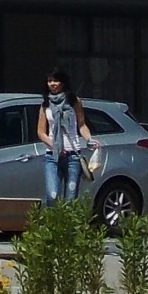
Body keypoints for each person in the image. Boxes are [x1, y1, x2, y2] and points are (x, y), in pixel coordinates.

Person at [38, 69, 91, 205]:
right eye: (49, 81)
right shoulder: (45, 104)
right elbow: (41, 132)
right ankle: (52, 219)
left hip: (73, 156)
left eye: (56, 80)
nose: (52, 84)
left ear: (63, 82)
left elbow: (82, 125)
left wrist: (89, 139)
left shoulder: (74, 101)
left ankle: (68, 219)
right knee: (52, 196)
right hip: (52, 156)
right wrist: (55, 145)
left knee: (70, 199)